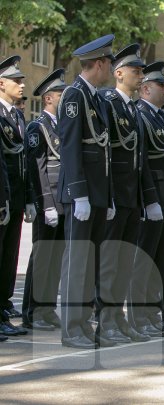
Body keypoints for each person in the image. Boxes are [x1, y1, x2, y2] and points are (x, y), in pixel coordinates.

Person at [97, 43, 160, 344]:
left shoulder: (133, 109)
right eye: (136, 71)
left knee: (124, 263)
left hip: (132, 198)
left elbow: (141, 159)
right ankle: (105, 320)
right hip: (115, 197)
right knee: (110, 263)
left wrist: (148, 199)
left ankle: (118, 318)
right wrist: (106, 195)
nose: (141, 77)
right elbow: (104, 155)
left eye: (142, 72)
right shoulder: (107, 102)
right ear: (119, 73)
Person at [57, 34, 116, 349]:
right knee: (77, 263)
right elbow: (70, 148)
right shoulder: (74, 96)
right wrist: (79, 193)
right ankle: (71, 329)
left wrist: (104, 198)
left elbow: (102, 153)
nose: (111, 69)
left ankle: (83, 325)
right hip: (81, 196)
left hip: (95, 196)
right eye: (109, 63)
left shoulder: (95, 97)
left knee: (89, 264)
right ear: (101, 63)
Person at [130, 61, 164, 337]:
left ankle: (153, 313)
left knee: (162, 262)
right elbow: (143, 163)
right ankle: (139, 316)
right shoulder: (140, 116)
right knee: (144, 263)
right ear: (147, 89)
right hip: (152, 201)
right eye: (162, 85)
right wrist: (149, 200)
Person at [21, 68, 66, 332]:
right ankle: (33, 311)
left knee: (55, 259)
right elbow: (37, 169)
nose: (65, 99)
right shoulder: (38, 128)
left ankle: (47, 308)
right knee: (41, 259)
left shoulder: (62, 126)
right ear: (49, 98)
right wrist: (45, 205)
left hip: (62, 202)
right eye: (61, 94)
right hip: (47, 202)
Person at [0, 56, 33, 332]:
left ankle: (3, 309)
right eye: (16, 81)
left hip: (16, 198)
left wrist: (29, 199)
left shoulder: (17, 115)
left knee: (10, 256)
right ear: (1, 83)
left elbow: (23, 160)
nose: (22, 85)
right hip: (3, 197)